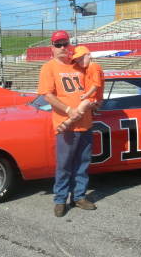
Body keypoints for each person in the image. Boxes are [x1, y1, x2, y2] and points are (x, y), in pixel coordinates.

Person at [37, 30, 97, 217]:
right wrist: (69, 110)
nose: (63, 47)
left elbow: (93, 86)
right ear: (52, 48)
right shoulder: (49, 67)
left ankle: (79, 197)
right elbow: (47, 95)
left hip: (85, 123)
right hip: (65, 125)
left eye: (65, 43)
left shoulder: (79, 65)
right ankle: (60, 199)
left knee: (82, 164)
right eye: (58, 44)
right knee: (64, 165)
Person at [56, 45, 104, 133]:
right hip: (91, 97)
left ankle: (68, 122)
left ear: (89, 55)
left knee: (82, 106)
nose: (80, 63)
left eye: (82, 59)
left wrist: (86, 95)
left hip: (94, 98)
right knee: (82, 106)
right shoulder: (86, 68)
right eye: (78, 61)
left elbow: (96, 85)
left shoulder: (94, 67)